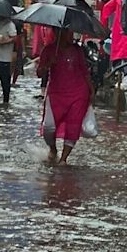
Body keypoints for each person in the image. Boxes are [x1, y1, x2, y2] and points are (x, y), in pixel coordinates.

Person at [37, 29, 94, 165]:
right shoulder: (49, 50)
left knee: (73, 125)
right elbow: (39, 73)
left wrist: (91, 90)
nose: (71, 35)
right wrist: (48, 64)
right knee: (48, 127)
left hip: (78, 92)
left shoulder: (77, 50)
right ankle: (53, 149)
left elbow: (84, 71)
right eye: (67, 33)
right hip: (56, 93)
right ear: (58, 33)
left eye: (71, 33)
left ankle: (63, 159)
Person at [32, 25, 56, 99]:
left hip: (55, 50)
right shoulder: (42, 27)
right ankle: (43, 92)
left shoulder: (53, 28)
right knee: (45, 71)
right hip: (46, 50)